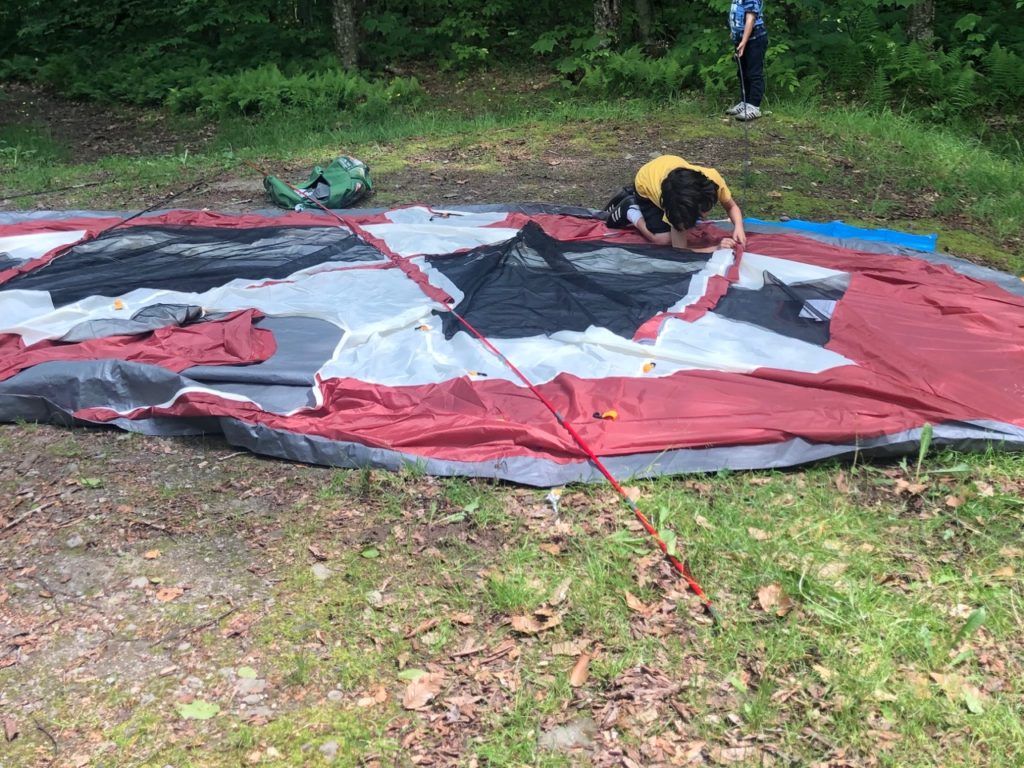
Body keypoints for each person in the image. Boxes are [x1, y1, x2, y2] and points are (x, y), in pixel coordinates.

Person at [600, 155, 746, 252]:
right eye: (700, 213)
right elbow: (679, 250)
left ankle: (630, 196)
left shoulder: (712, 180)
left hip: (665, 168)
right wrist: (716, 248)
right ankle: (631, 210)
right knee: (663, 240)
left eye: (705, 209)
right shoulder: (675, 204)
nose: (705, 216)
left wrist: (738, 227)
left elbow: (731, 206)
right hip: (645, 183)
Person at [726, 0, 768, 121]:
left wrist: (744, 42)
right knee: (742, 73)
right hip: (741, 40)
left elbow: (751, 19)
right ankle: (745, 103)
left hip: (755, 39)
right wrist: (734, 32)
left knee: (754, 73)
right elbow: (737, 15)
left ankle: (754, 106)